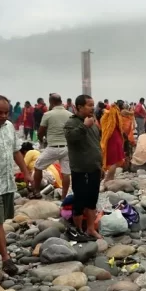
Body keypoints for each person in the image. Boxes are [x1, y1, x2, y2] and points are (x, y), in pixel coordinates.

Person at [0, 95, 31, 277]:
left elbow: (15, 151)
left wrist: (26, 172)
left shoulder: (9, 126)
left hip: (6, 181)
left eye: (6, 113)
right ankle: (6, 259)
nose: (3, 116)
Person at [64, 94, 103, 240]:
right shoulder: (72, 122)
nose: (92, 108)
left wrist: (101, 165)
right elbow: (71, 138)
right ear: (79, 107)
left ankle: (91, 229)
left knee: (92, 200)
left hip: (94, 167)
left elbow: (96, 145)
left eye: (93, 105)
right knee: (79, 200)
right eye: (89, 105)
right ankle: (79, 230)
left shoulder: (94, 121)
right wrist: (84, 126)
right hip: (80, 169)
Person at [32, 93, 72, 199]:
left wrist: (41, 140)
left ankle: (36, 192)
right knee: (66, 173)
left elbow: (40, 132)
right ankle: (64, 197)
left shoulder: (48, 114)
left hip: (53, 147)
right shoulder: (69, 114)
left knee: (38, 167)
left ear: (51, 102)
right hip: (66, 147)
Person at [100, 101, 126, 182]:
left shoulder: (106, 118)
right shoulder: (114, 117)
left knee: (112, 161)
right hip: (114, 139)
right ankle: (109, 179)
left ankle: (109, 179)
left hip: (111, 139)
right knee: (113, 161)